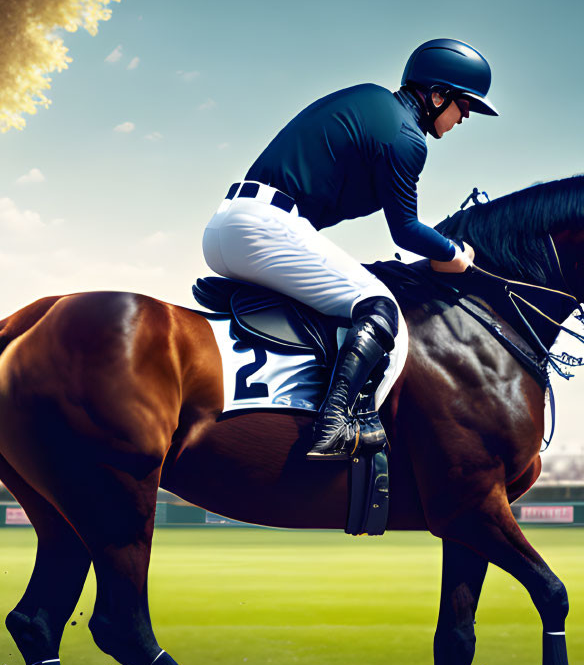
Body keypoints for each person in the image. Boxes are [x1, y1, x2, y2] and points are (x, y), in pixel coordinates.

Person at [202, 38, 498, 459]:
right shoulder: (406, 137)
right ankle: (334, 423)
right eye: (463, 104)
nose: (465, 116)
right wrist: (454, 253)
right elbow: (406, 230)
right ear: (436, 95)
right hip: (265, 228)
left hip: (228, 226)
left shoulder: (372, 101)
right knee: (381, 306)